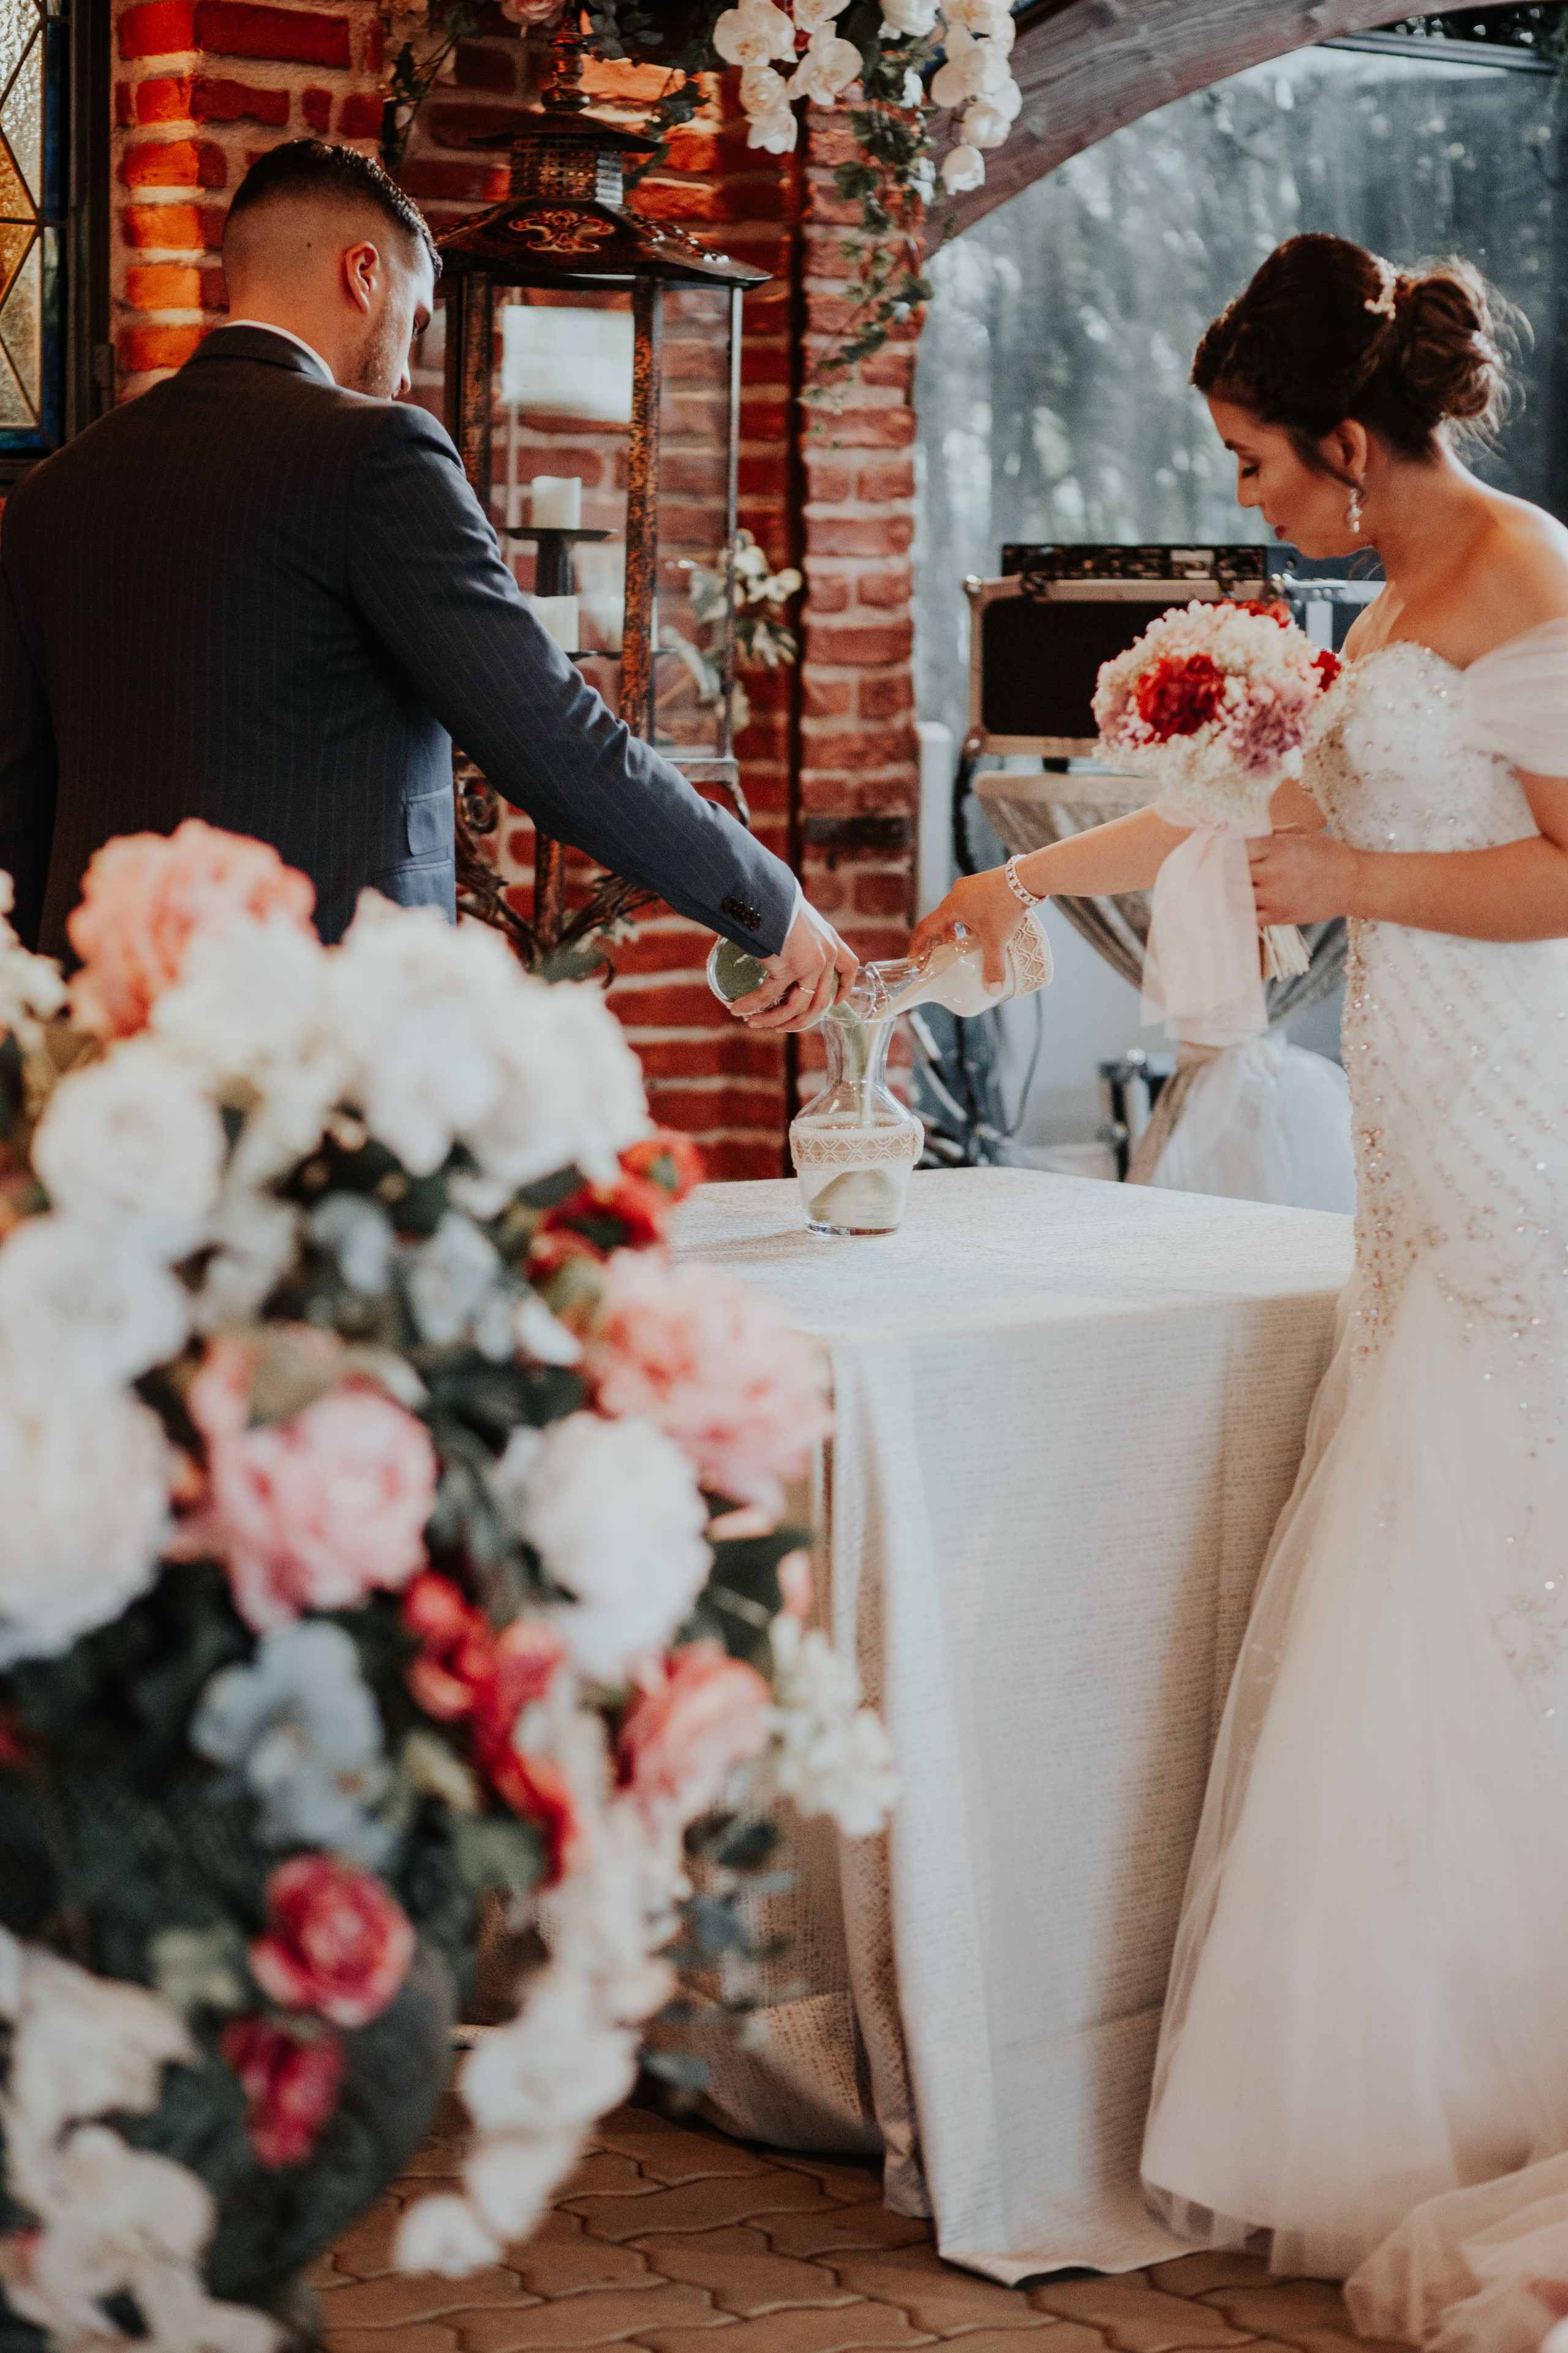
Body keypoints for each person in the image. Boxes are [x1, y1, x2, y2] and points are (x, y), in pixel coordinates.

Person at [914, 232, 1568, 2343]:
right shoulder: (1384, 602)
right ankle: (1438, 2082)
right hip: (1412, 1157)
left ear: (1353, 447)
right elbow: (1232, 815)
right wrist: (1014, 870)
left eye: (1263, 468)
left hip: (1519, 1161)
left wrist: (1363, 881)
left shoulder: (1532, 580)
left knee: (1489, 1580)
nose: (1251, 506)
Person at [0, 138, 845, 1032]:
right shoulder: (374, 452)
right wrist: (765, 900)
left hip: (101, 1040)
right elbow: (554, 738)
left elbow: (17, 812)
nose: (407, 370)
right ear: (365, 274)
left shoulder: (55, 491)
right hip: (322, 1038)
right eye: (416, 322)